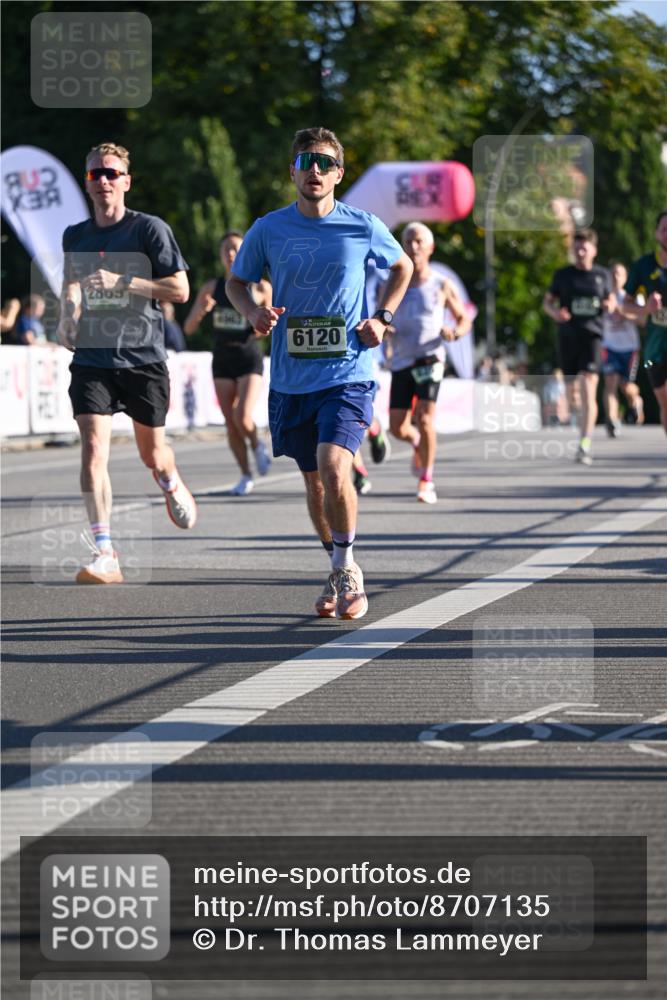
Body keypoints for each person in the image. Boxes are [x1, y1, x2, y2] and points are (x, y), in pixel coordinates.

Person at [226, 126, 413, 619]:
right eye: (306, 161)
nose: (315, 170)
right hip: (291, 379)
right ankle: (336, 566)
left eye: (325, 163)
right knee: (314, 483)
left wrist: (383, 317)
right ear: (292, 170)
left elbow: (403, 267)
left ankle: (349, 567)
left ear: (339, 173)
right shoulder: (268, 228)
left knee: (335, 468)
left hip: (349, 370)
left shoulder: (363, 225)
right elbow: (236, 282)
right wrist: (252, 313)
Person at [57, 141, 197, 585]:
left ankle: (170, 479)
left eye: (111, 173)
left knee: (151, 454)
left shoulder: (148, 230)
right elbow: (71, 284)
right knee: (94, 448)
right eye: (95, 174)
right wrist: (67, 314)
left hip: (142, 357)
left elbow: (180, 290)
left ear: (126, 181)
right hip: (93, 357)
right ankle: (105, 552)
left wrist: (125, 281)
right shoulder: (76, 235)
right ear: (87, 182)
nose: (103, 180)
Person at [385, 221, 471, 504]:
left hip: (430, 357)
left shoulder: (441, 284)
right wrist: (385, 331)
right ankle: (418, 443)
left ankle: (426, 480)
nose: (414, 246)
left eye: (420, 241)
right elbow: (380, 314)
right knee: (398, 427)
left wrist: (455, 332)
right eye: (409, 241)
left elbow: (464, 318)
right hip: (401, 360)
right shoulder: (393, 281)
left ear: (431, 247)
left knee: (424, 418)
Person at [184, 232, 272, 495]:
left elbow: (268, 328)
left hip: (248, 356)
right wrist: (202, 311)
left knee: (242, 416)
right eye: (226, 250)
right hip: (222, 357)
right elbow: (188, 328)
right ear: (221, 256)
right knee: (230, 422)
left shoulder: (261, 288)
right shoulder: (212, 288)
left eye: (235, 249)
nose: (231, 254)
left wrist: (261, 321)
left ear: (245, 252)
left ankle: (256, 444)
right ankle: (245, 475)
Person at [543, 229, 615, 465]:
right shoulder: (563, 275)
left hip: (592, 337)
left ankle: (584, 443)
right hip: (568, 337)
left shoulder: (602, 275)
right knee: (573, 391)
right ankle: (580, 420)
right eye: (577, 247)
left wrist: (609, 304)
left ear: (594, 250)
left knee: (588, 387)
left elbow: (612, 301)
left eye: (585, 247)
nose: (580, 251)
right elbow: (547, 302)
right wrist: (556, 313)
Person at [621, 211, 667, 436]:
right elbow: (624, 305)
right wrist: (646, 309)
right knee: (665, 403)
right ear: (656, 233)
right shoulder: (644, 266)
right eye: (665, 229)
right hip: (655, 349)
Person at [602, 262, 644, 436]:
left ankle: (636, 401)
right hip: (609, 346)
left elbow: (643, 321)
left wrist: (622, 311)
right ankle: (612, 421)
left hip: (630, 348)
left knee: (627, 386)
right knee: (610, 382)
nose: (614, 276)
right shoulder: (602, 296)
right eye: (612, 273)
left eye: (618, 273)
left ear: (625, 278)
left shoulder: (632, 297)